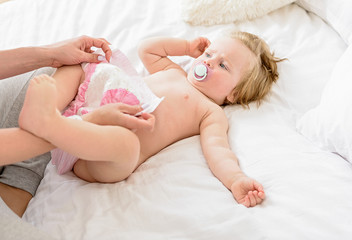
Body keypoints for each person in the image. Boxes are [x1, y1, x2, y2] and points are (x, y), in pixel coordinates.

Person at [18, 31, 283, 207]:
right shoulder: (174, 70)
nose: (209, 61)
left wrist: (236, 179)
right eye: (209, 54)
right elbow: (148, 50)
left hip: (101, 154)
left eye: (223, 65)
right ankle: (47, 109)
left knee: (127, 146)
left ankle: (57, 127)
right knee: (79, 66)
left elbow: (218, 151)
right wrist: (186, 47)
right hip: (92, 104)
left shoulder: (210, 112)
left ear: (234, 94)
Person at [0, 35, 153, 218]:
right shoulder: (175, 73)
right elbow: (149, 49)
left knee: (61, 74)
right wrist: (81, 124)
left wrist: (51, 54)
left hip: (45, 138)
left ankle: (48, 121)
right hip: (85, 138)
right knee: (128, 144)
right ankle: (48, 122)